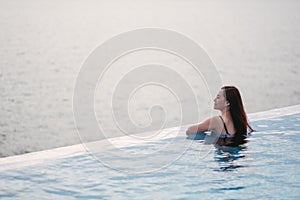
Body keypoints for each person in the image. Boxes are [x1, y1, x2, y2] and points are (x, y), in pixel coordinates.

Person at [186, 86, 254, 146]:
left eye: (218, 97)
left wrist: (210, 136)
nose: (214, 100)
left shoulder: (216, 121)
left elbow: (189, 131)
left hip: (224, 156)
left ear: (227, 103)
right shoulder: (241, 121)